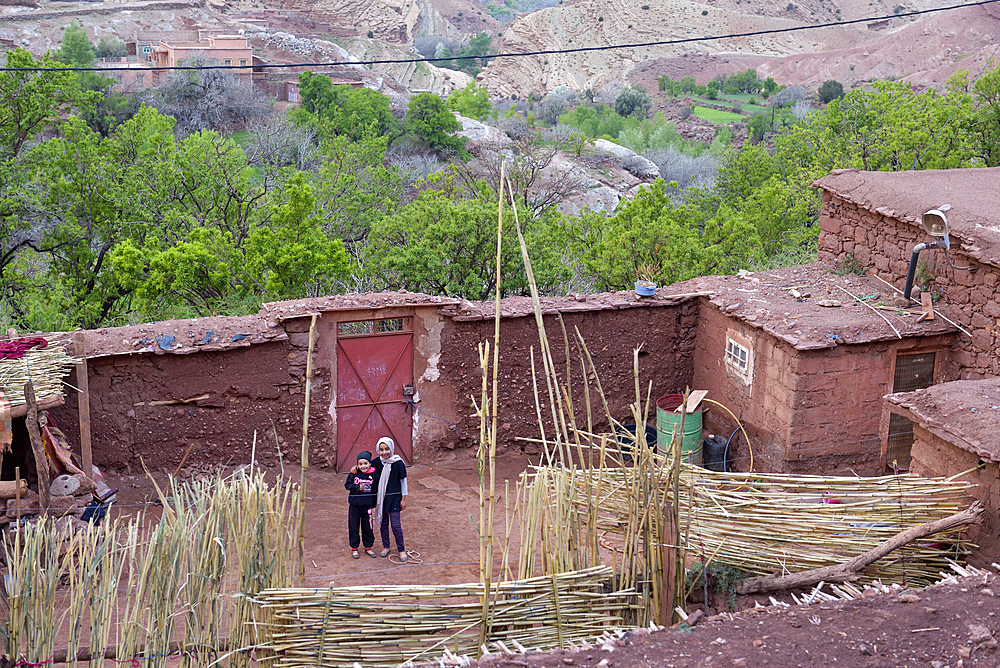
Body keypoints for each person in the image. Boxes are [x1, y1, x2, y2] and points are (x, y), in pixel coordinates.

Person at [372, 436, 408, 561]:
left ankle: (401, 549)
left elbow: (403, 482)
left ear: (391, 448)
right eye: (381, 450)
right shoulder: (376, 463)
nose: (384, 452)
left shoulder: (398, 463)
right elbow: (366, 473)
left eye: (387, 449)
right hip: (381, 499)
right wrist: (354, 469)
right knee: (383, 524)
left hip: (395, 498)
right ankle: (386, 546)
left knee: (396, 525)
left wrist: (403, 499)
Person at [345, 450, 379, 559]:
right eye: (360, 464)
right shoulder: (354, 473)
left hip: (367, 506)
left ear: (369, 464)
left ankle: (368, 547)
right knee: (354, 526)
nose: (363, 466)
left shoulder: (374, 474)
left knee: (368, 526)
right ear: (357, 465)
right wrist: (355, 487)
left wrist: (373, 503)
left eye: (365, 463)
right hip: (354, 505)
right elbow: (347, 485)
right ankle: (354, 548)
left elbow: (375, 489)